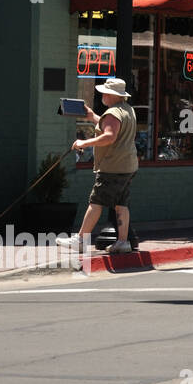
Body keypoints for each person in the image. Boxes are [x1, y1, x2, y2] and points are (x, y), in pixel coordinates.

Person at [58, 78, 138, 255]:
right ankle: (123, 242)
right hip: (127, 165)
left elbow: (109, 136)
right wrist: (91, 116)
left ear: (111, 95)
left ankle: (80, 240)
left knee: (96, 202)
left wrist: (83, 143)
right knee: (121, 204)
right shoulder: (127, 110)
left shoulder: (112, 113)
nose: (102, 95)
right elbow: (108, 126)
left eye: (104, 92)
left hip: (112, 166)